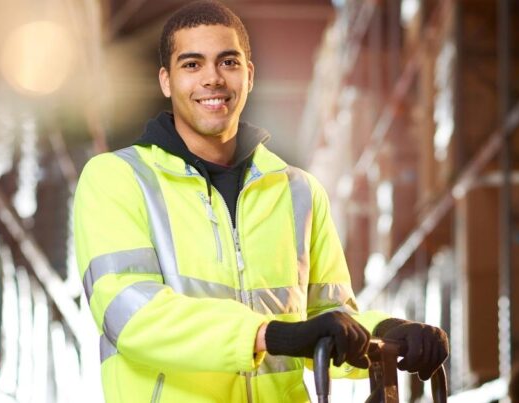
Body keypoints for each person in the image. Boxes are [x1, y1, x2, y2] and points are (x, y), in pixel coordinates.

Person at [73, 1, 449, 402]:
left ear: (249, 76)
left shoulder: (299, 191)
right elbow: (130, 315)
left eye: (228, 62)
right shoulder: (117, 178)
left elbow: (330, 322)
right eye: (192, 65)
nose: (212, 79)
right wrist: (268, 334)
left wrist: (384, 333)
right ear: (166, 81)